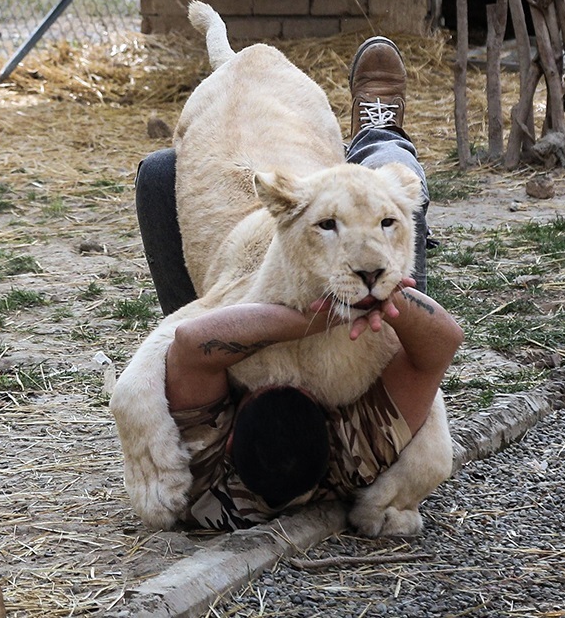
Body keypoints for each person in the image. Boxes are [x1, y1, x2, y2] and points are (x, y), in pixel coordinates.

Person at [133, 36, 462, 531]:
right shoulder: (362, 451)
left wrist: (298, 320)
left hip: (263, 229)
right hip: (305, 182)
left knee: (159, 172)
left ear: (231, 429)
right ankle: (383, 136)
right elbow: (436, 352)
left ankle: (369, 172)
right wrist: (395, 292)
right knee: (391, 183)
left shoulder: (206, 489)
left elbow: (187, 340)